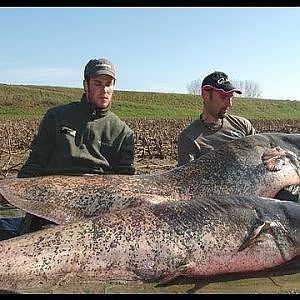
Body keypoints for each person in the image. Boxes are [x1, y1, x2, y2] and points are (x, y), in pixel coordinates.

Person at [0, 58, 136, 239]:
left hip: (97, 209)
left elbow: (126, 182)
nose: (104, 90)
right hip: (51, 205)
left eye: (108, 84)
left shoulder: (123, 132)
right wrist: (15, 192)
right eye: (97, 84)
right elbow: (36, 162)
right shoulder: (57, 116)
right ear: (85, 85)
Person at [177, 71, 256, 166]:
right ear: (205, 95)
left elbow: (259, 156)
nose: (229, 104)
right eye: (223, 97)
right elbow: (188, 178)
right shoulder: (189, 137)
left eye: (231, 98)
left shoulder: (243, 125)